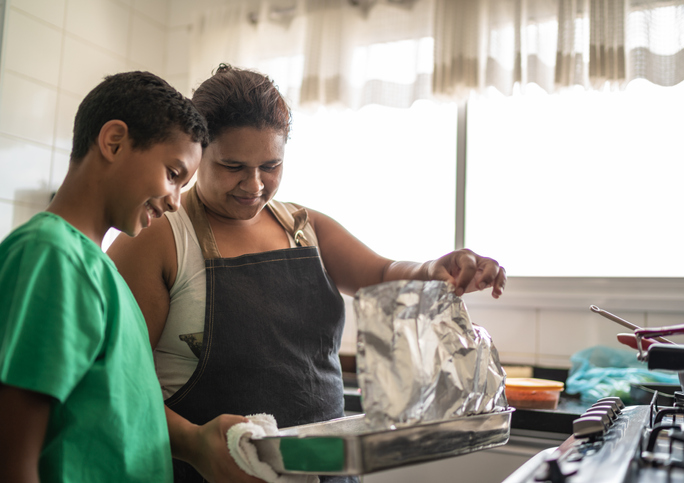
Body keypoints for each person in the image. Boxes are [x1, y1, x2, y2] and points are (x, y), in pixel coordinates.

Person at [108, 64, 506, 483]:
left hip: (327, 472)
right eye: (233, 166)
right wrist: (195, 443)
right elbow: (123, 383)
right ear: (197, 152)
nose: (255, 185)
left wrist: (432, 269)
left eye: (270, 165)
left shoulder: (304, 227)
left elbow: (383, 272)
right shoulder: (157, 238)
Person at [0, 71, 209, 482]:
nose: (174, 203)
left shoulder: (100, 271)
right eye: (173, 174)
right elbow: (12, 458)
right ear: (114, 141)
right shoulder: (52, 255)